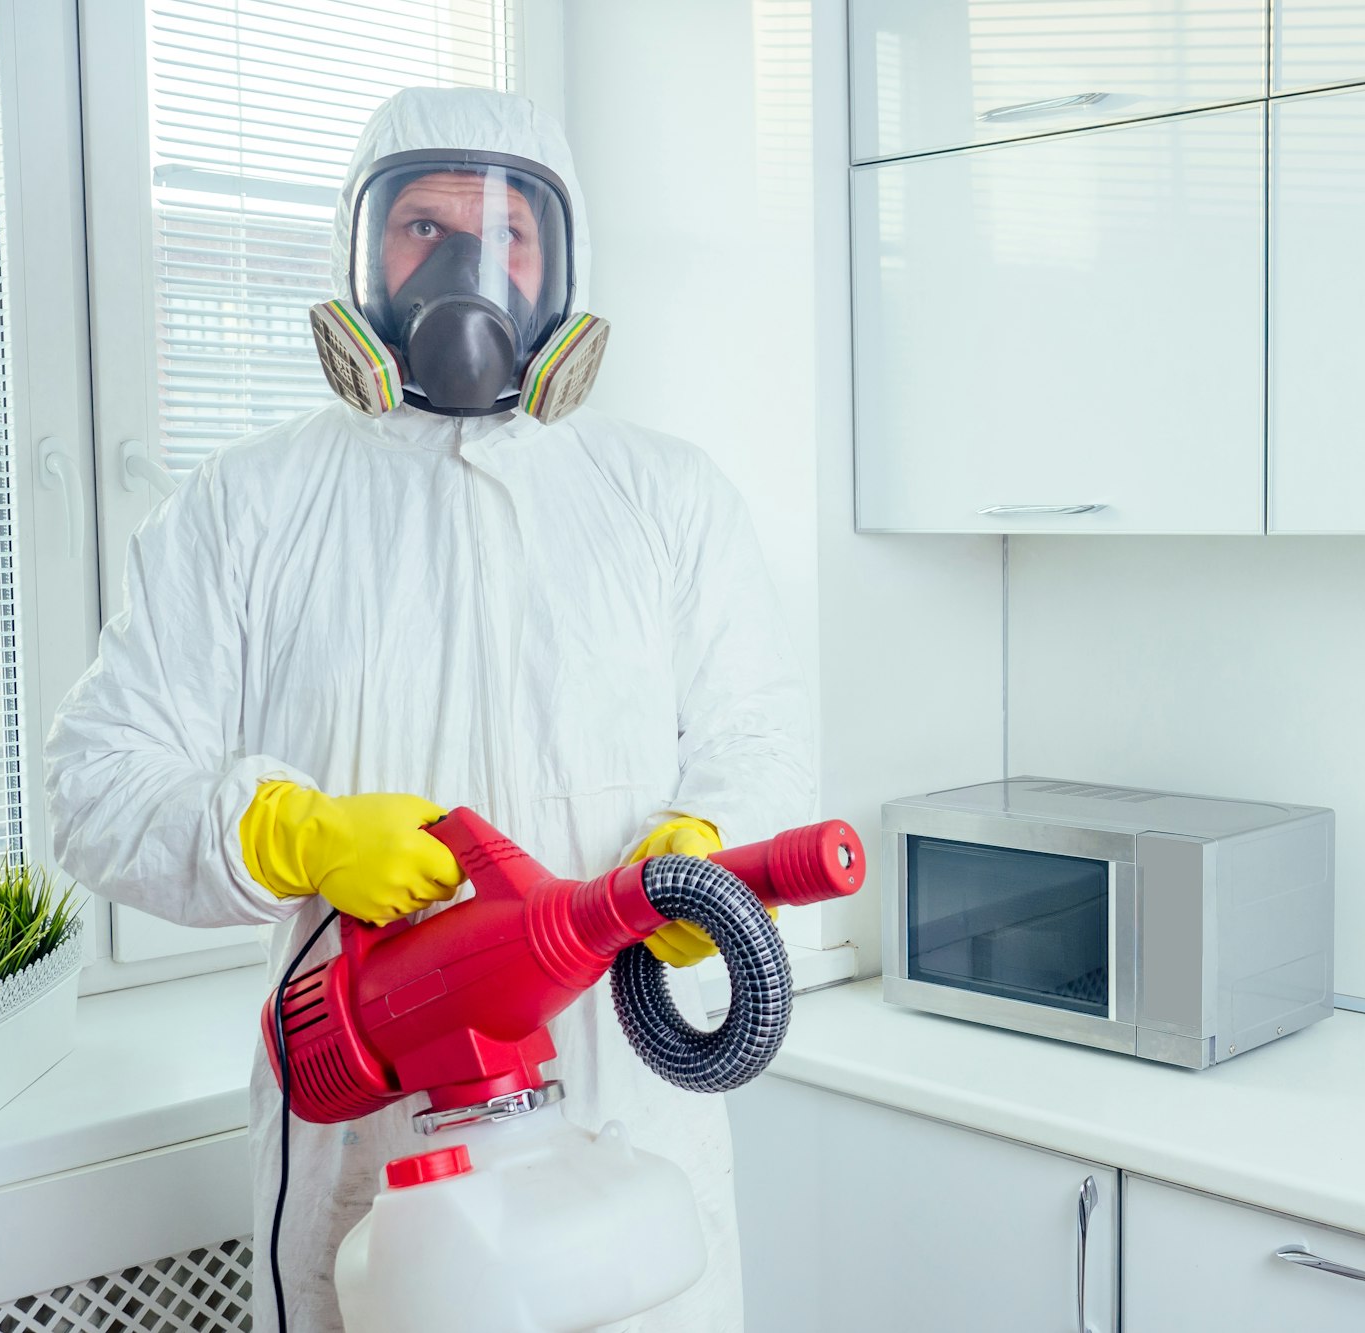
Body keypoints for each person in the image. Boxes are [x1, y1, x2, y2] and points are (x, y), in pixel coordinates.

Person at [44, 86, 813, 1333]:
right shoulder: (248, 508)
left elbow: (761, 738)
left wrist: (708, 849)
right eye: (423, 229)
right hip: (368, 1137)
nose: (468, 268)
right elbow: (95, 781)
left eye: (508, 234)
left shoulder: (666, 500)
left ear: (559, 270)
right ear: (362, 254)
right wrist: (279, 832)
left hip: (629, 1113)